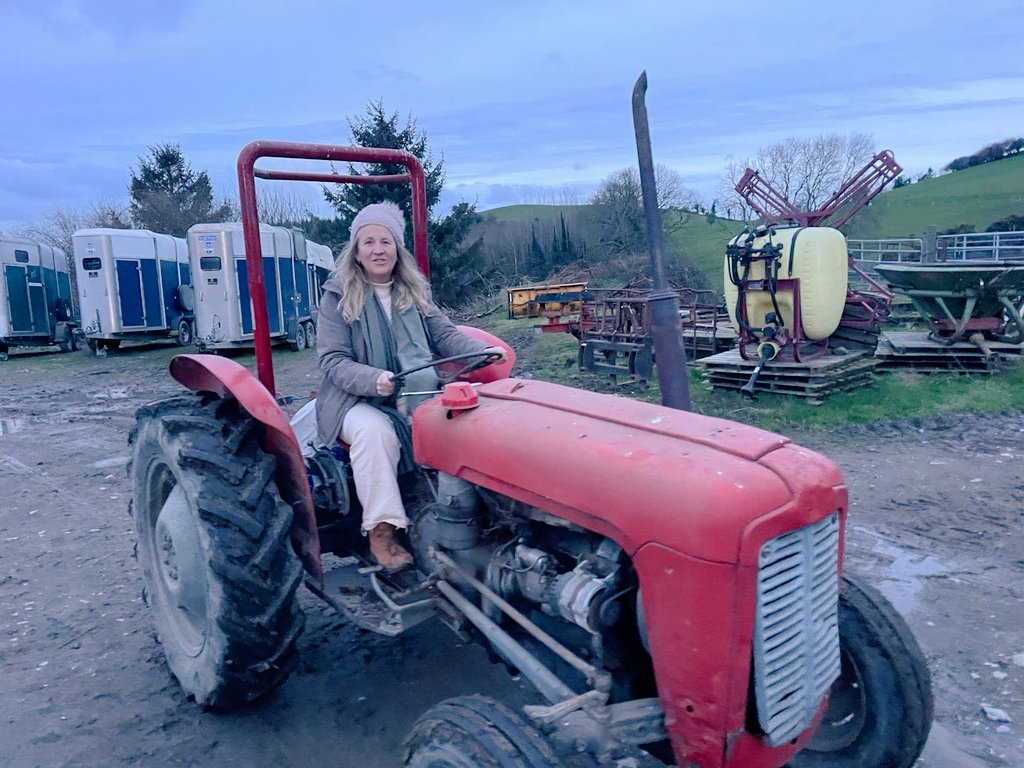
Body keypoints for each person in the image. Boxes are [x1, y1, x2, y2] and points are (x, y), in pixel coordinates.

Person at [315, 201, 505, 571]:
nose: (378, 250)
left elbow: (445, 335)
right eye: (369, 242)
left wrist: (483, 352)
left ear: (397, 249)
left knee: (469, 421)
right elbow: (333, 360)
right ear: (356, 251)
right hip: (354, 399)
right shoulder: (338, 295)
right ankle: (382, 531)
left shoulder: (413, 291)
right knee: (374, 434)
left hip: (415, 392)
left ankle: (473, 511)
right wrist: (372, 379)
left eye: (385, 241)